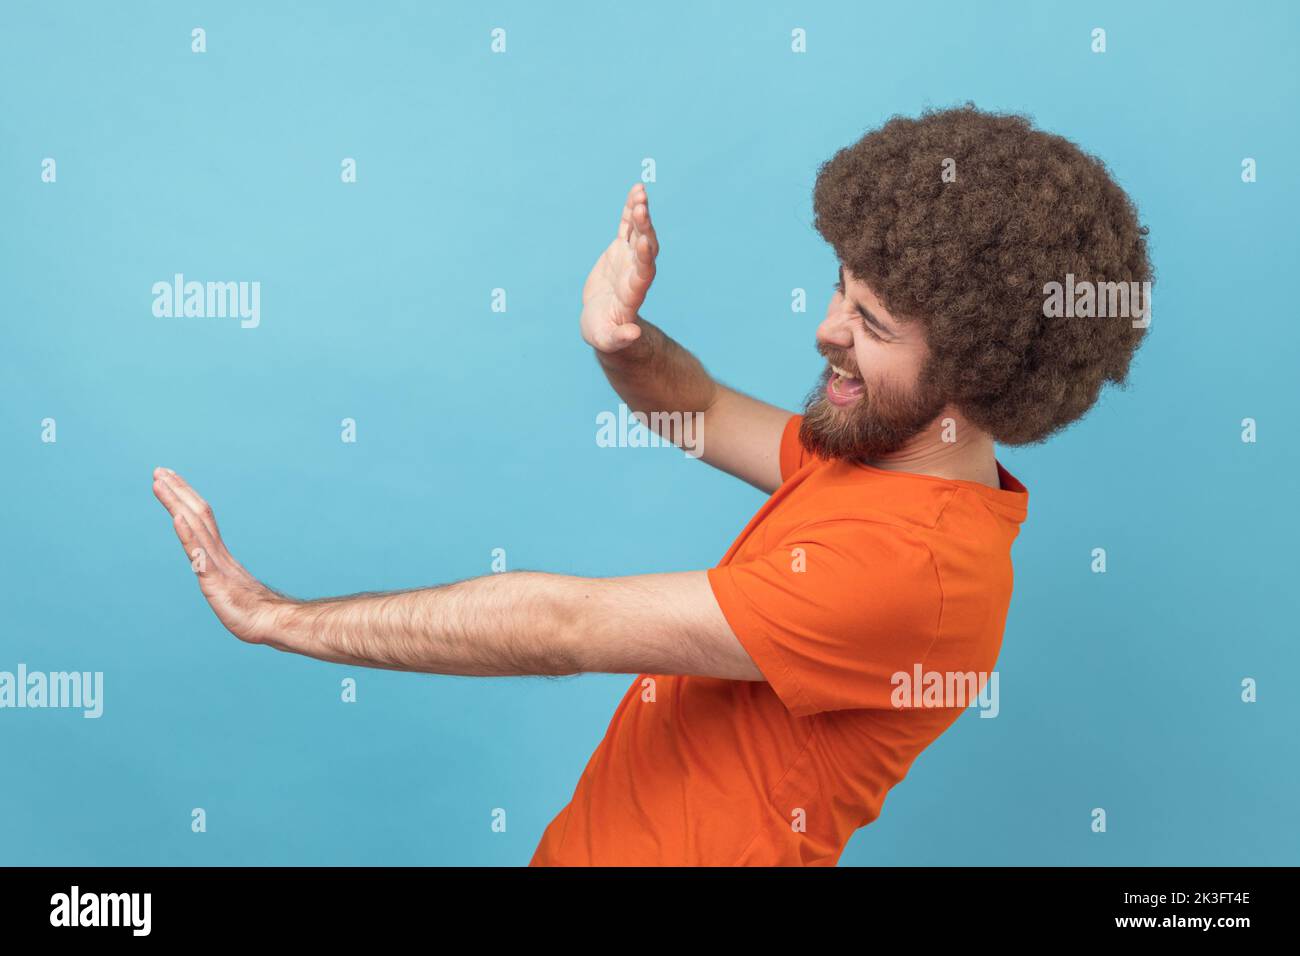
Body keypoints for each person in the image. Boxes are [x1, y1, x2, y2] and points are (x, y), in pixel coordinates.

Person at [152, 104, 1152, 866]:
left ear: (977, 377)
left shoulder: (914, 573)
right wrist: (623, 345)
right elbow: (704, 411)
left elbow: (563, 628)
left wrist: (276, 617)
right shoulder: (887, 451)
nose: (825, 330)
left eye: (871, 324)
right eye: (839, 290)